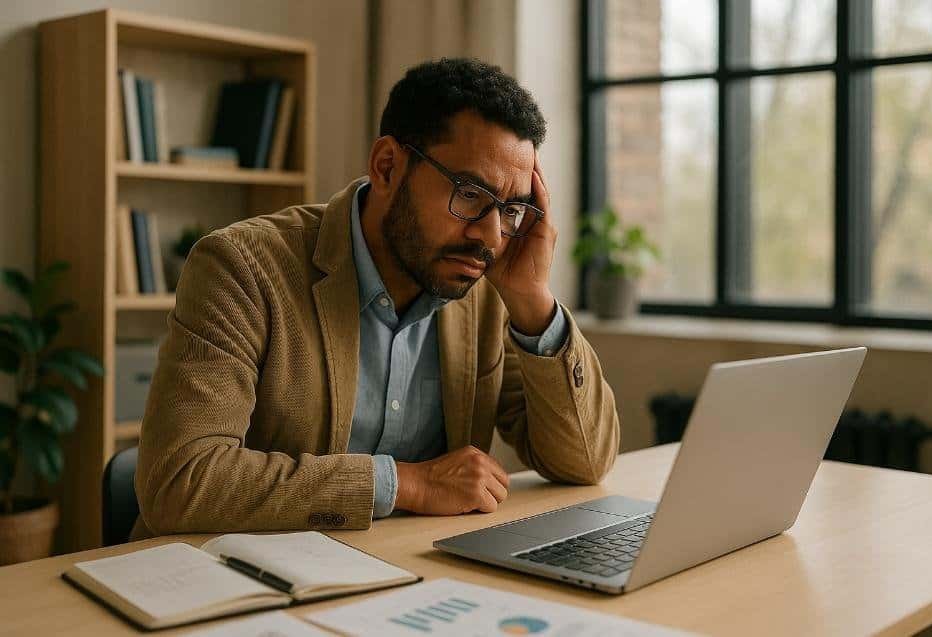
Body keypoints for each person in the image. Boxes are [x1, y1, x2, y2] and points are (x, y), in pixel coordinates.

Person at [132, 58, 619, 538]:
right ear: (387, 166)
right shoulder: (242, 267)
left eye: (511, 209)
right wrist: (403, 484)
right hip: (235, 584)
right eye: (470, 194)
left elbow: (584, 462)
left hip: (407, 576)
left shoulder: (487, 290)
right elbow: (182, 482)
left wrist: (534, 302)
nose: (491, 237)